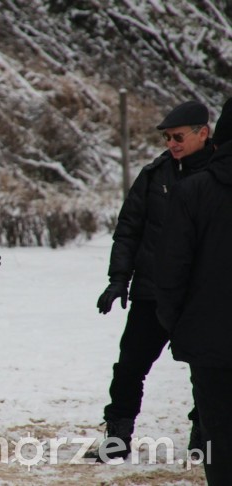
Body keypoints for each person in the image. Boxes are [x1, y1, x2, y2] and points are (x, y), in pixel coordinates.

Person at [90, 100, 215, 462]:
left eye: (178, 137)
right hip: (152, 292)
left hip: (200, 296)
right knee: (129, 366)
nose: (171, 144)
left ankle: (204, 436)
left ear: (203, 133)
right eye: (166, 138)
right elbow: (129, 229)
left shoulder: (220, 174)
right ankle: (118, 436)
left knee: (207, 370)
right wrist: (118, 279)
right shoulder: (154, 174)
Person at [155, 97, 232, 485]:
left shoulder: (192, 191)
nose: (172, 144)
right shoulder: (174, 180)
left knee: (217, 432)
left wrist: (178, 324)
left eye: (177, 136)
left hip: (209, 338)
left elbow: (171, 271)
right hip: (206, 334)